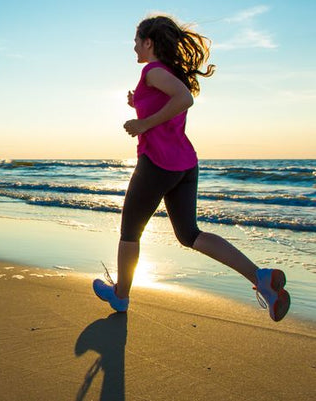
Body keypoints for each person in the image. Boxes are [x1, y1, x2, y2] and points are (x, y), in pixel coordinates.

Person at [92, 15, 290, 322]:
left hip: (156, 163)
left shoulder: (153, 70)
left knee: (130, 231)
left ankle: (121, 297)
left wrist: (142, 123)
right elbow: (171, 104)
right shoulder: (166, 73)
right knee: (190, 235)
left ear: (149, 42)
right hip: (184, 165)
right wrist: (138, 105)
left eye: (136, 41)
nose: (133, 46)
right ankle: (261, 278)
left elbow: (184, 100)